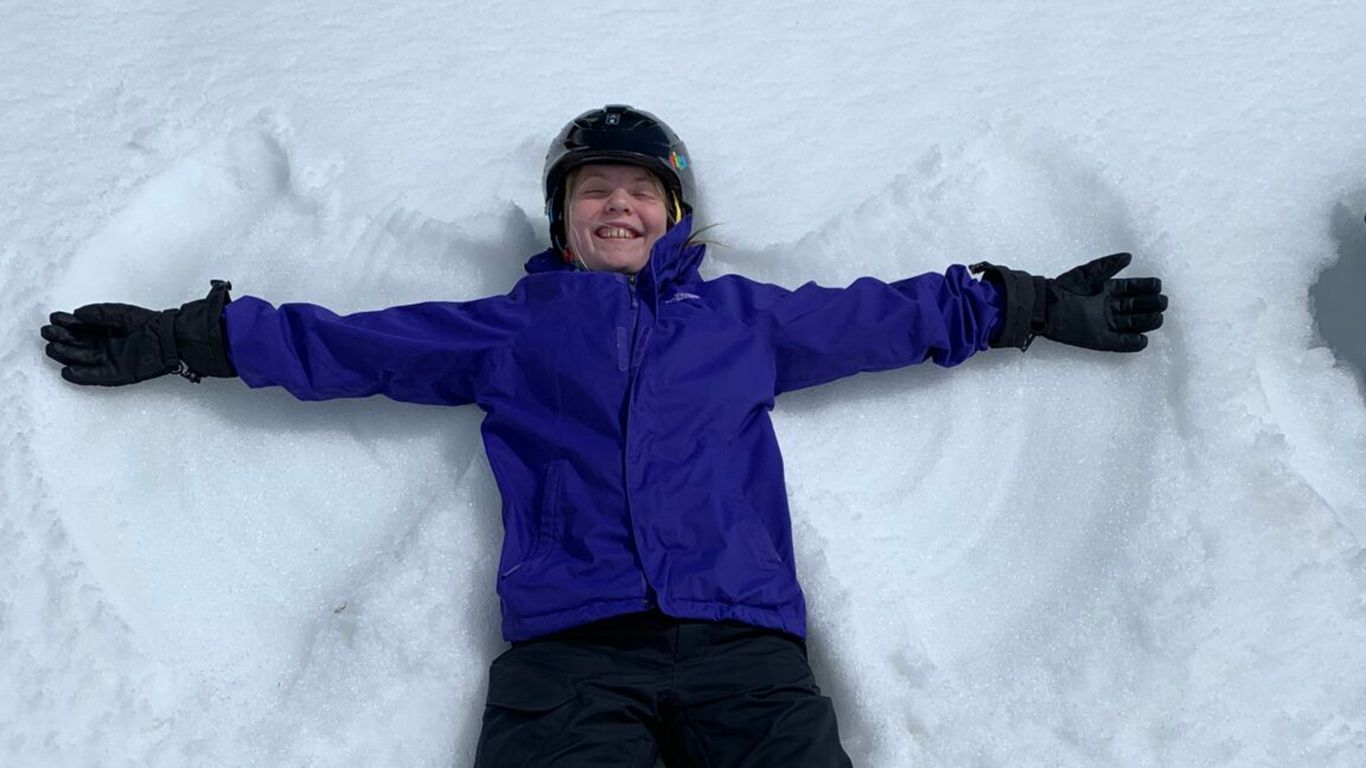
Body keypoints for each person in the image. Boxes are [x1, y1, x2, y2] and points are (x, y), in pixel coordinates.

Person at [40, 105, 1167, 767]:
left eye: (641, 192)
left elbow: (888, 316)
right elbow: (347, 346)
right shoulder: (511, 329)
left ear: (677, 217)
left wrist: (1023, 306)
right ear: (563, 215)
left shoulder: (740, 321)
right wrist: (192, 337)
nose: (617, 206)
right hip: (570, 661)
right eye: (594, 192)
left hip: (746, 657)